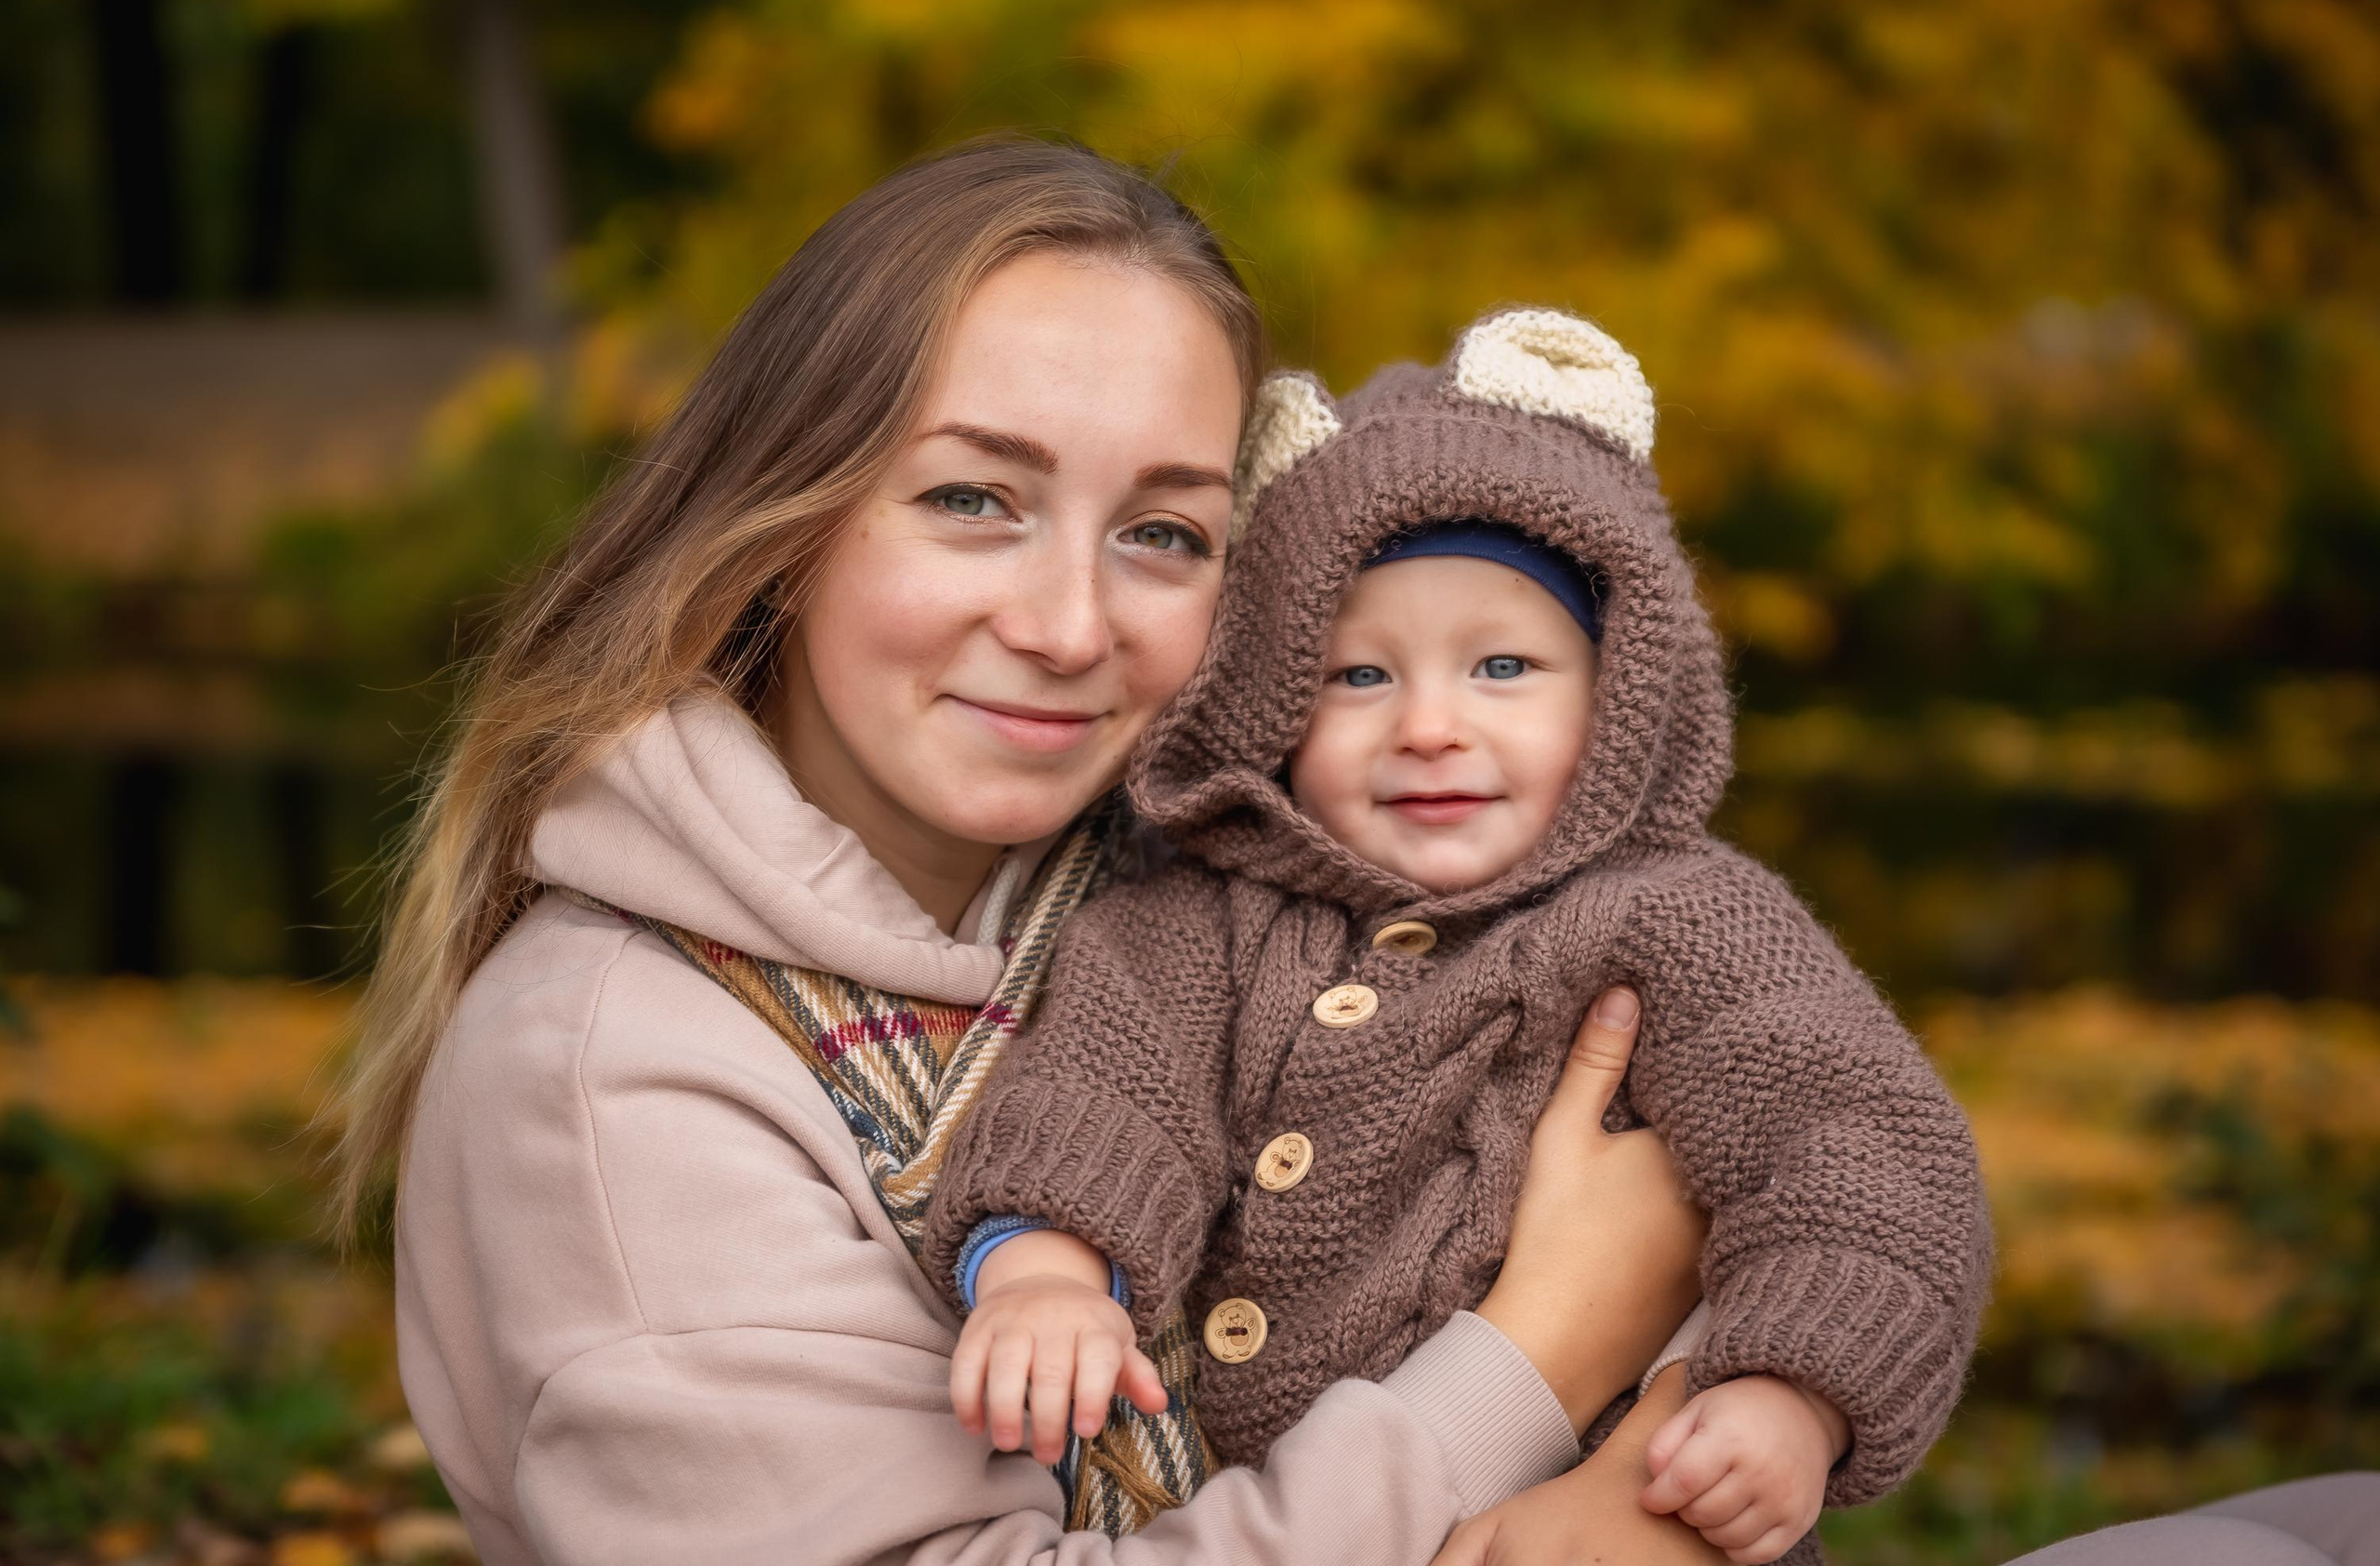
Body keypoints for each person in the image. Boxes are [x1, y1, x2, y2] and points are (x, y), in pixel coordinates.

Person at [333, 138, 1720, 1566]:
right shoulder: (609, 1072)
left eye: (1166, 533)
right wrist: (1541, 1355)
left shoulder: (1231, 901)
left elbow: (1702, 1175)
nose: (1069, 627)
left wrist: (1677, 1452)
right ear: (782, 521)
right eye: (972, 500)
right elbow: (1573, 1284)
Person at [925, 310, 1993, 1565]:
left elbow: (1864, 1150)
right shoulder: (1196, 915)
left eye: (1503, 667)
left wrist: (1789, 1397)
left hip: (1628, 1520)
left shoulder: (1683, 917)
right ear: (1269, 702)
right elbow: (1108, 1088)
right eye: (1359, 678)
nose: (1429, 727)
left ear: (1615, 692)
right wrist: (1049, 1274)